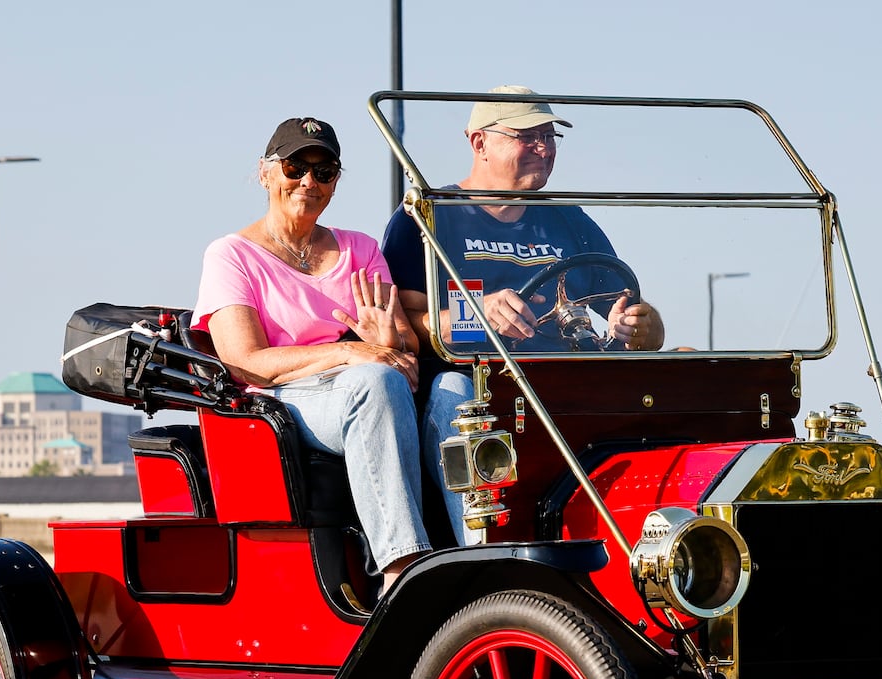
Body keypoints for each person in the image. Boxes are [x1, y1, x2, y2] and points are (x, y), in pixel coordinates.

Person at [380, 86, 666, 542]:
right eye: (526, 136)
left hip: (565, 379)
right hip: (478, 384)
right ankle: (486, 555)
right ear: (479, 143)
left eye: (549, 137)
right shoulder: (429, 217)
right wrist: (478, 312)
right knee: (456, 391)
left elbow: (632, 316)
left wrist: (641, 327)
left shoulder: (571, 220)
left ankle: (653, 546)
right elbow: (397, 321)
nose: (543, 148)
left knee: (680, 379)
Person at [192, 117, 429, 594]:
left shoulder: (360, 248)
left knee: (456, 391)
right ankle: (402, 569)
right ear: (265, 172)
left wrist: (390, 342)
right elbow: (246, 362)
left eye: (324, 172)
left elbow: (405, 348)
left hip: (360, 383)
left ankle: (480, 557)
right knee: (374, 382)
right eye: (295, 166)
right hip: (280, 400)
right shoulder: (231, 255)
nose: (308, 182)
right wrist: (351, 352)